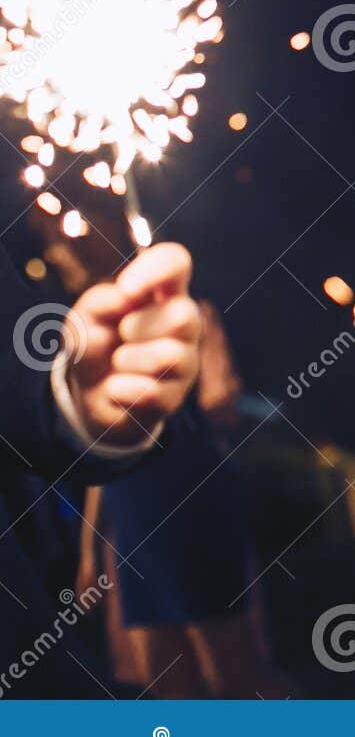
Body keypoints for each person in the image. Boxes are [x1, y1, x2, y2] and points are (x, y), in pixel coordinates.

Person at [41, 208, 286, 698]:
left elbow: (222, 408)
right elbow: (100, 462)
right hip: (132, 521)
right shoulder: (87, 331)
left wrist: (192, 377)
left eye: (66, 239)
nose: (54, 252)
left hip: (189, 504)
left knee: (231, 672)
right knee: (163, 683)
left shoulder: (180, 314)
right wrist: (92, 550)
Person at [0, 239, 201, 698]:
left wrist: (82, 405)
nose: (54, 256)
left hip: (170, 503)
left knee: (210, 667)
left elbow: (12, 377)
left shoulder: (140, 320)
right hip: (130, 517)